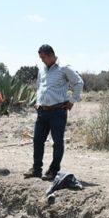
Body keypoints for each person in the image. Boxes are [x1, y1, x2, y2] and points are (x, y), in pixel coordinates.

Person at [24, 44, 84, 181]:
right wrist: (38, 101)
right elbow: (40, 85)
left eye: (44, 57)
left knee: (57, 142)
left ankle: (53, 170)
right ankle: (36, 169)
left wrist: (72, 100)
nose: (42, 60)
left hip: (58, 111)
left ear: (51, 55)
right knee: (38, 140)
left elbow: (79, 83)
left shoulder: (64, 68)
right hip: (42, 111)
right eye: (40, 58)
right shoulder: (42, 69)